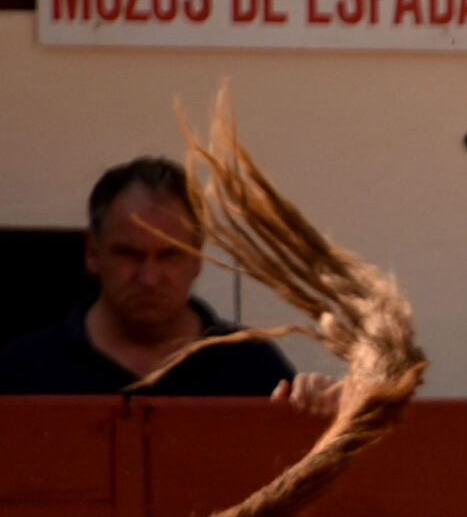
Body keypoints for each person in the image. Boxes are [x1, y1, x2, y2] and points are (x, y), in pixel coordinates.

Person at [0, 155, 336, 409]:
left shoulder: (251, 367)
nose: (149, 277)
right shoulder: (22, 372)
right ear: (93, 252)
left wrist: (325, 415)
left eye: (169, 255)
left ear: (198, 256)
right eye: (129, 254)